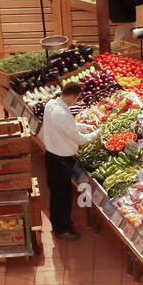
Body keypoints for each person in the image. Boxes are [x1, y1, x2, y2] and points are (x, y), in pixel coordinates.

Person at [39, 82, 93, 240]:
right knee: (63, 195)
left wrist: (82, 125)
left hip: (51, 155)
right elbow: (79, 139)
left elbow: (66, 126)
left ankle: (58, 224)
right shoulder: (62, 114)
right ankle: (62, 229)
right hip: (61, 160)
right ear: (73, 95)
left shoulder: (51, 104)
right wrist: (95, 134)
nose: (76, 102)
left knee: (56, 193)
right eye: (77, 99)